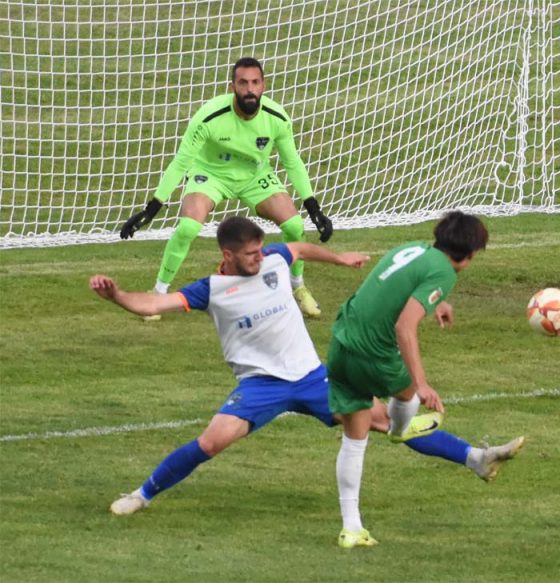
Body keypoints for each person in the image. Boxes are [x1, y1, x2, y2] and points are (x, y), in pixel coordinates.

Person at [91, 217, 523, 518]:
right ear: (228, 255)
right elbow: (154, 304)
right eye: (251, 254)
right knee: (211, 442)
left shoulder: (274, 260)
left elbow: (297, 248)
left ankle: (476, 458)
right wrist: (119, 296)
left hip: (313, 376)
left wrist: (338, 259)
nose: (260, 258)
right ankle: (142, 494)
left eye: (261, 250)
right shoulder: (212, 289)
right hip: (261, 385)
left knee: (386, 421)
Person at [328, 210, 523, 549]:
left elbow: (398, 286)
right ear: (470, 254)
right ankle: (400, 431)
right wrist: (421, 383)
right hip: (373, 353)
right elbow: (404, 327)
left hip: (341, 344)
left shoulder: (414, 248)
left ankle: (352, 528)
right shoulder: (445, 271)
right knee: (407, 395)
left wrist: (437, 301)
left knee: (355, 438)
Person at [119, 57, 331, 319]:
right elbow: (181, 162)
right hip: (210, 174)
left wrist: (313, 207)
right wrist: (152, 208)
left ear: (263, 86)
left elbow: (292, 162)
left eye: (255, 82)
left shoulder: (276, 118)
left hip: (254, 176)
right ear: (232, 87)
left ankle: (297, 287)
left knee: (295, 226)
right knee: (188, 227)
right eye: (243, 83)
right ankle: (159, 293)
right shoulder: (209, 116)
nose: (250, 89)